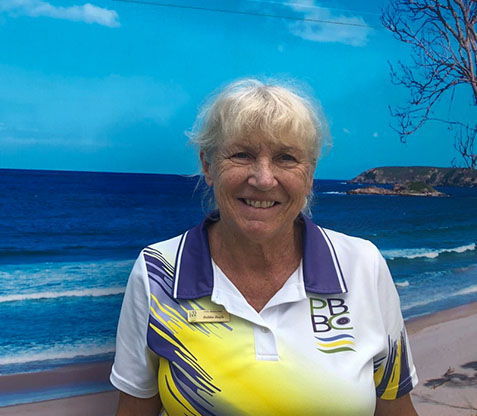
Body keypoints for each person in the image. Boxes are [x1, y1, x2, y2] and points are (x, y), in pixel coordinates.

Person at [110, 79, 418, 415]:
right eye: (242, 155)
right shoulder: (158, 272)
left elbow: (397, 410)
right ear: (208, 166)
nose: (264, 179)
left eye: (286, 158)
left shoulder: (362, 266)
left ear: (309, 175)